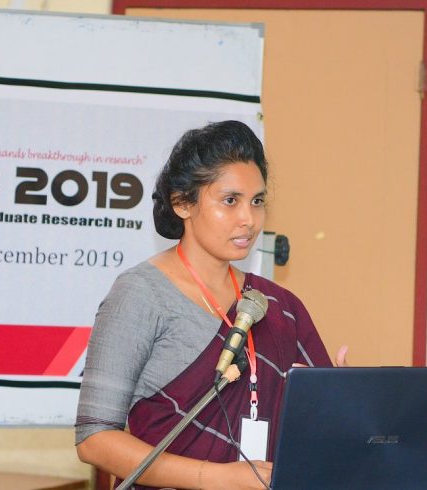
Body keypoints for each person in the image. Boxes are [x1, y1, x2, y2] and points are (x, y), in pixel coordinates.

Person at [75, 120, 340, 490]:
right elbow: (94, 439)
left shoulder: (280, 307)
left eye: (257, 201)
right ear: (182, 203)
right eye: (230, 201)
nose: (249, 219)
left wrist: (340, 398)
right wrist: (217, 478)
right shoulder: (140, 294)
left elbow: (326, 430)